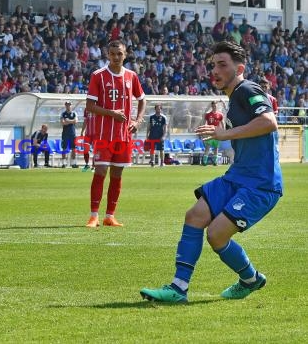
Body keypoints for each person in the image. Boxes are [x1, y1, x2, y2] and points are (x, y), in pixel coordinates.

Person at [140, 40, 283, 303]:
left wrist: (224, 134)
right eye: (212, 65)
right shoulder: (234, 96)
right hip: (236, 177)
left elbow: (269, 122)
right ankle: (178, 288)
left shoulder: (247, 89)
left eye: (222, 65)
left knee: (216, 235)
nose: (214, 71)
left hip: (259, 184)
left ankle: (250, 279)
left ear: (239, 68)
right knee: (195, 215)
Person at [85, 40, 146, 228]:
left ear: (125, 54)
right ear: (108, 55)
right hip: (104, 134)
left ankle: (109, 216)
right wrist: (112, 113)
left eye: (119, 54)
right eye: (113, 54)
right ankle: (94, 215)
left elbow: (142, 100)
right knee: (101, 171)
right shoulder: (98, 76)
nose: (116, 57)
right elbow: (90, 106)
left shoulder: (132, 76)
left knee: (117, 174)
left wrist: (137, 121)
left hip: (123, 135)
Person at [201, 101, 224, 166]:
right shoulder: (208, 114)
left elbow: (222, 123)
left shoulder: (220, 114)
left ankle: (215, 162)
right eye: (213, 106)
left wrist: (223, 131)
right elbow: (204, 122)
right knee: (208, 147)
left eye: (215, 106)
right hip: (210, 132)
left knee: (216, 148)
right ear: (212, 106)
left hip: (217, 133)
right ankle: (204, 162)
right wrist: (203, 131)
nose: (214, 107)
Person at [60, 101, 78, 168]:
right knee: (64, 148)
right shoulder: (63, 114)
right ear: (65, 106)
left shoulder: (74, 113)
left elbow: (76, 121)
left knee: (73, 148)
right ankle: (63, 163)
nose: (68, 106)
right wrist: (71, 121)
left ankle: (73, 163)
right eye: (67, 105)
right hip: (65, 133)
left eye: (69, 105)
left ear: (71, 106)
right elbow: (62, 123)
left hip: (72, 133)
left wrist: (68, 121)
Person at [80, 107, 95, 172]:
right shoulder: (86, 109)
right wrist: (82, 131)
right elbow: (85, 121)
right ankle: (86, 164)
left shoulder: (99, 108)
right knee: (86, 150)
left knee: (95, 151)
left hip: (96, 134)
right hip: (88, 133)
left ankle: (94, 166)